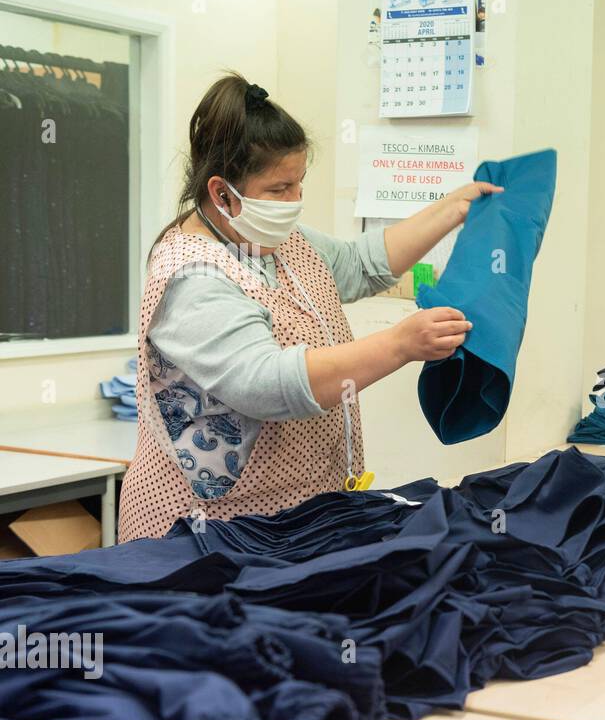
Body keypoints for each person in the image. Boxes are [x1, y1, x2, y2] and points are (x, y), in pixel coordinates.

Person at [118, 73, 500, 540]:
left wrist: (454, 207)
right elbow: (267, 384)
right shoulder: (192, 277)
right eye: (279, 189)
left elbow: (362, 263)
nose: (295, 202)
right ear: (221, 193)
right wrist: (400, 345)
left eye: (299, 183)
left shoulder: (277, 241)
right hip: (211, 533)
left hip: (300, 515)